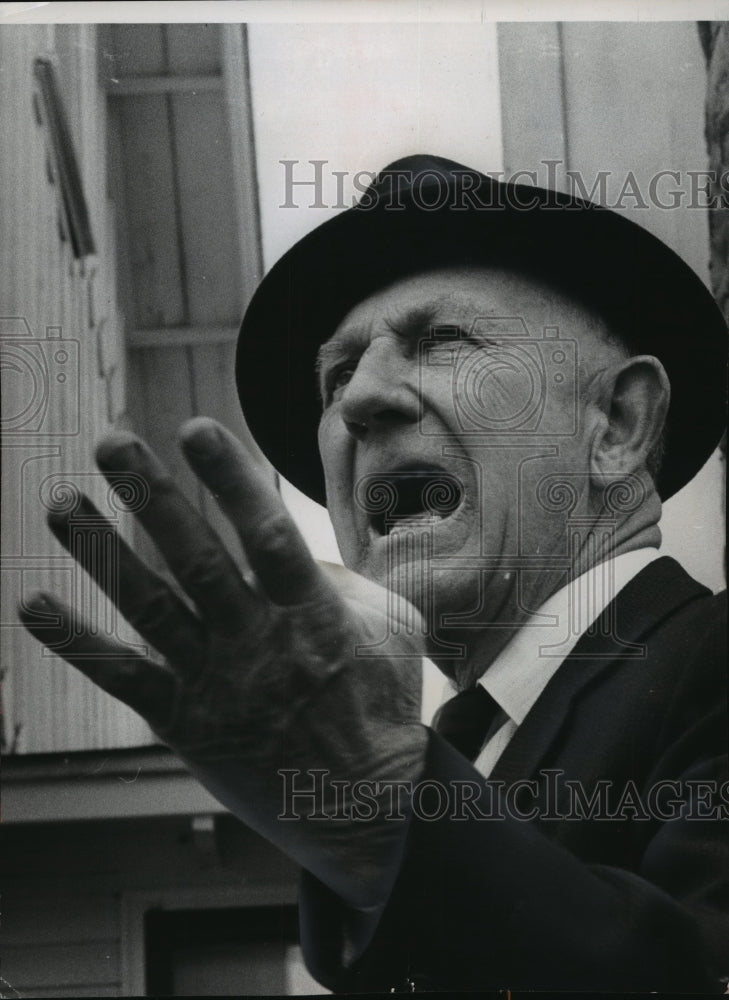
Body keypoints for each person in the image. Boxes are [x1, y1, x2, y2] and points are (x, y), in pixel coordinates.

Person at [20, 156, 728, 992]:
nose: (360, 401)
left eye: (441, 340)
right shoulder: (445, 760)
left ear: (616, 422)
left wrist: (389, 806)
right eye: (336, 376)